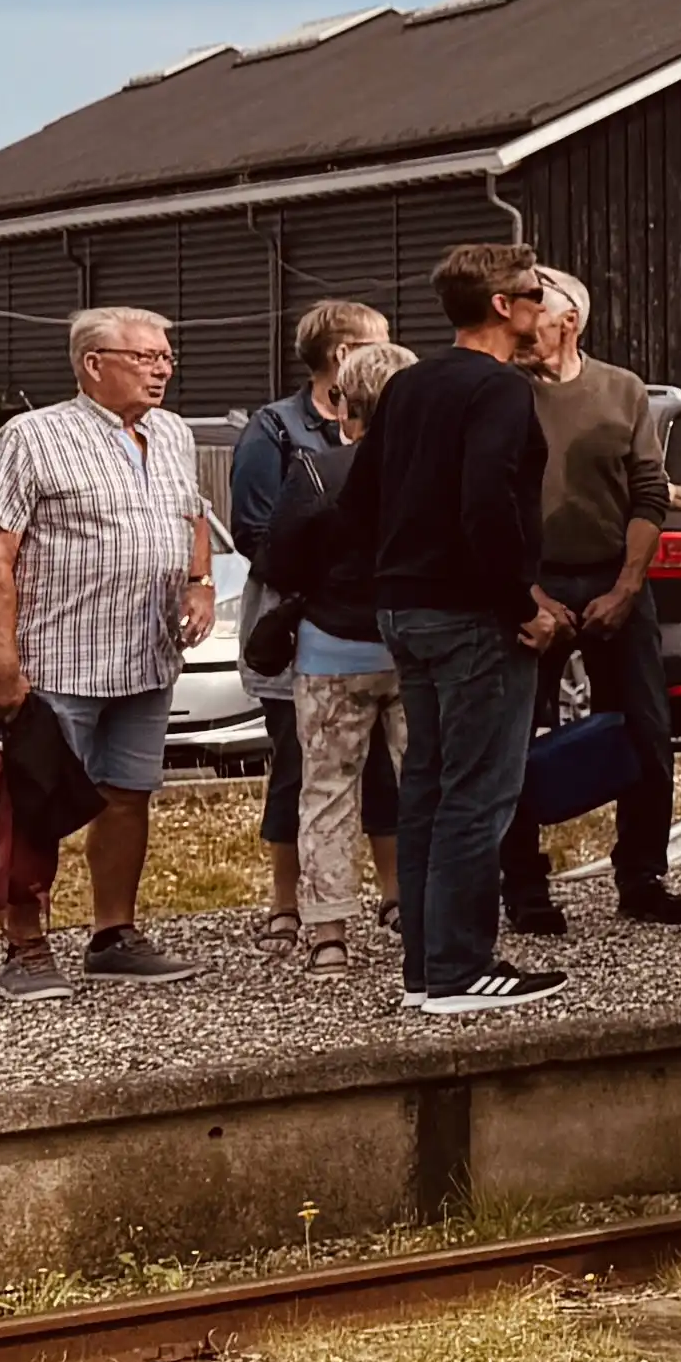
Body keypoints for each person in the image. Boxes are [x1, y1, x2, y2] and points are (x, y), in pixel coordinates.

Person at [0, 306, 220, 995]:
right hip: (57, 660)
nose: (163, 369)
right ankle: (25, 946)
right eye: (146, 357)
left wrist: (200, 582)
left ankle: (114, 934)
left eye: (167, 357)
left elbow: (191, 513)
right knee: (33, 804)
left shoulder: (170, 434)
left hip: (144, 656)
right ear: (93, 364)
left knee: (127, 795)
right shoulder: (34, 436)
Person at [351, 244, 574, 1012]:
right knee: (479, 792)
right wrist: (523, 607)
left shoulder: (407, 385)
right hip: (473, 615)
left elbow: (358, 499)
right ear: (505, 307)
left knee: (429, 789)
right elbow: (487, 506)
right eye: (537, 295)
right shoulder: (501, 391)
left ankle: (427, 967)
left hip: (406, 609)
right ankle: (459, 968)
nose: (546, 310)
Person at [496, 269, 681, 935]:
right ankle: (524, 885)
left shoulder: (622, 390)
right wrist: (530, 595)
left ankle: (642, 875)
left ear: (568, 322)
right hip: (531, 584)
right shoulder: (503, 394)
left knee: (646, 728)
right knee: (514, 736)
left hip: (614, 575)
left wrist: (627, 586)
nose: (520, 328)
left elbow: (649, 491)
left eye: (533, 314)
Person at [229, 296, 393, 940]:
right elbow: (255, 531)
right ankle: (287, 901)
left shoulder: (394, 432)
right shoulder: (273, 430)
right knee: (300, 767)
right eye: (380, 339)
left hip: (368, 625)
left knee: (385, 768)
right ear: (344, 355)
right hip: (302, 623)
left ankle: (393, 894)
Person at [271, 339, 409, 961]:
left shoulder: (316, 472)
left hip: (331, 649)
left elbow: (278, 559)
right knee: (427, 785)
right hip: (415, 648)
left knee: (326, 792)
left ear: (342, 403)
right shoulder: (433, 472)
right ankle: (428, 910)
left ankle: (328, 933)